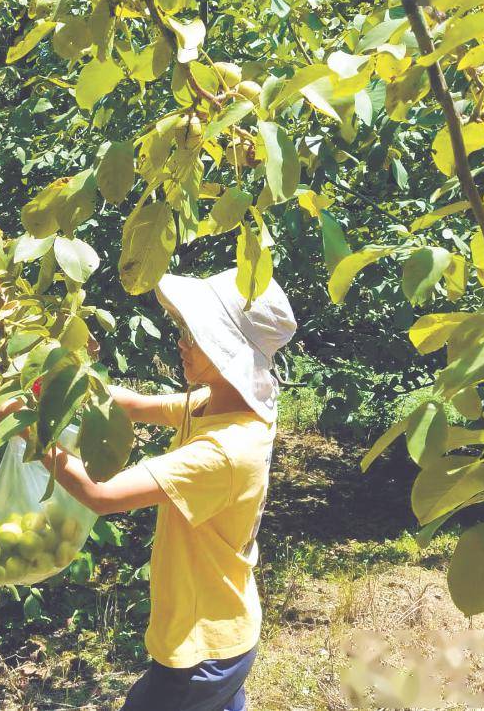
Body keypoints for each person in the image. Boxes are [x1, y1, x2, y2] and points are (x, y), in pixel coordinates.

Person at [40, 267, 297, 711]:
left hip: (201, 650)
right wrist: (67, 381)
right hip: (225, 626)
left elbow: (102, 495)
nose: (182, 341)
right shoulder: (215, 403)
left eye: (196, 335)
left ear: (231, 349)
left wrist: (33, 432)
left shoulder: (225, 450)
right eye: (184, 329)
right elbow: (136, 405)